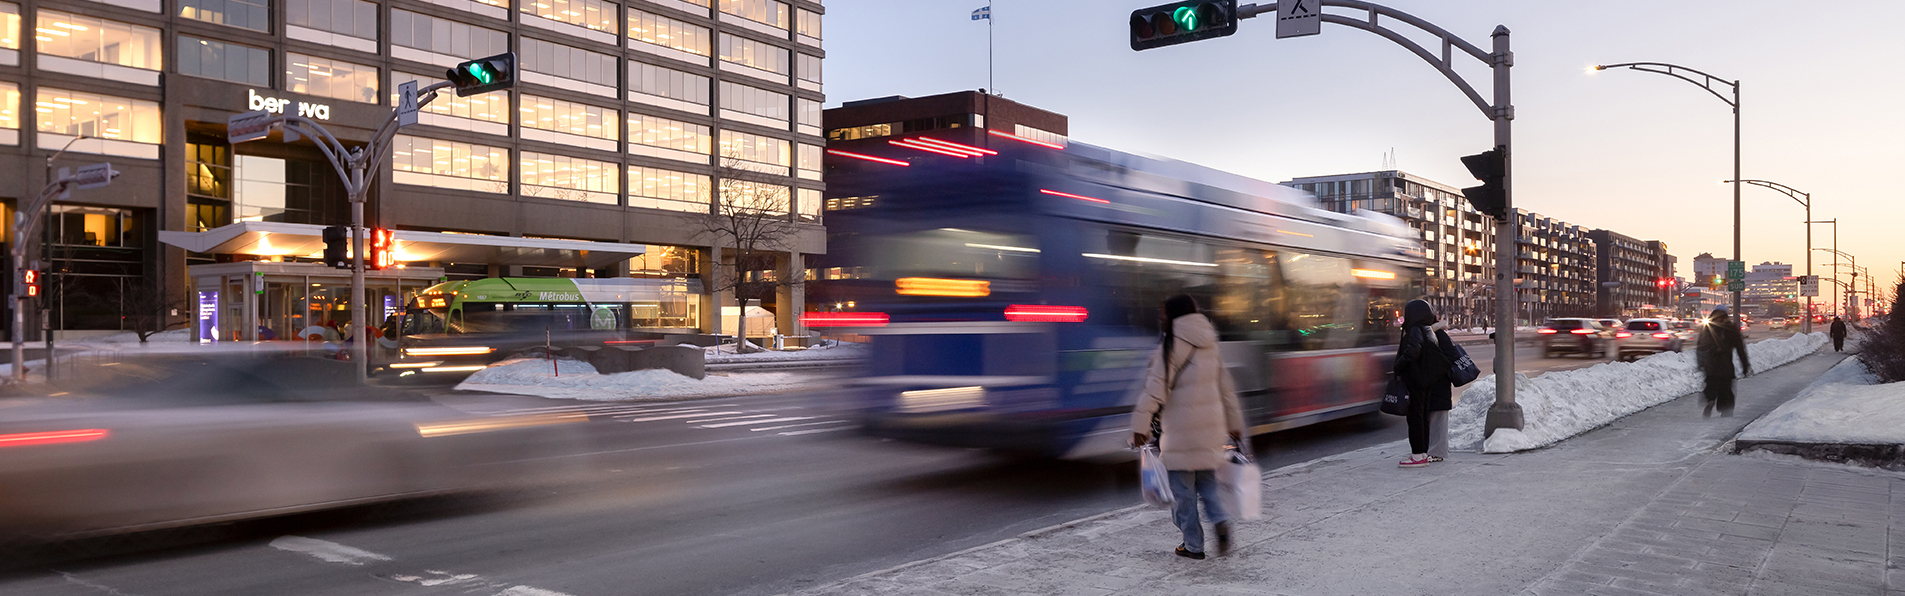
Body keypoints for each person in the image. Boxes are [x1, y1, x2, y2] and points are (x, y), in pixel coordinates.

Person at [1131, 295, 1245, 560]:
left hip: (1180, 436)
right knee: (1208, 485)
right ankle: (1220, 520)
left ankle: (1193, 545)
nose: (1160, 318)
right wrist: (1235, 424)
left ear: (1175, 315)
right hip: (1210, 433)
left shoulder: (1169, 346)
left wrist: (1140, 424)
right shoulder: (1211, 344)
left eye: (1163, 313)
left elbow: (1154, 389)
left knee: (1183, 494)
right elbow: (1226, 389)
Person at [1394, 299, 1453, 468]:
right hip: (1425, 381)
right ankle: (1422, 453)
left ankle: (1418, 455)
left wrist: (1398, 366)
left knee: (1415, 417)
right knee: (1422, 416)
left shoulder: (1416, 330)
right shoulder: (1428, 331)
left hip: (1415, 380)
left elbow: (1413, 351)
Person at [1697, 307, 1753, 417]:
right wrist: (1745, 365)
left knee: (1711, 384)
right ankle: (1725, 411)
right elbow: (1740, 349)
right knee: (1726, 389)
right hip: (1726, 365)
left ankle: (1710, 400)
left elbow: (1700, 347)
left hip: (1711, 365)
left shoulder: (1707, 328)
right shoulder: (1731, 329)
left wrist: (1701, 363)